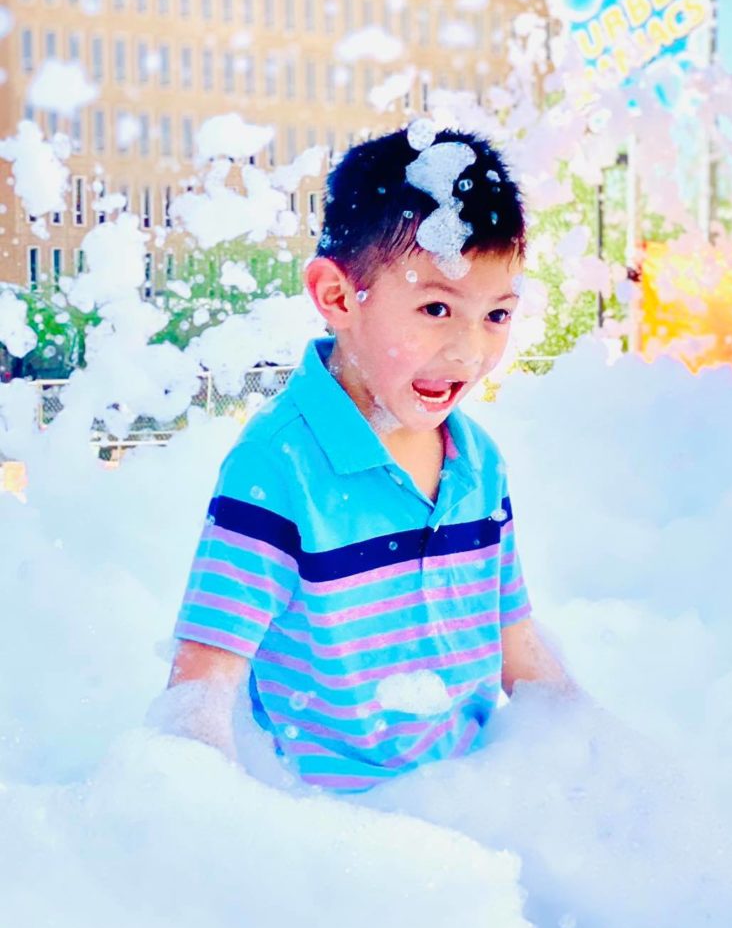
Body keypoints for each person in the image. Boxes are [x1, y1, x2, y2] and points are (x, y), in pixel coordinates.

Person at [166, 126, 572, 793]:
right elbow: (202, 687)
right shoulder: (279, 468)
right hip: (337, 839)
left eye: (497, 315)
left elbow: (517, 647)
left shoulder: (477, 465)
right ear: (337, 297)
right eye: (436, 307)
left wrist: (601, 753)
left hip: (474, 806)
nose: (469, 354)